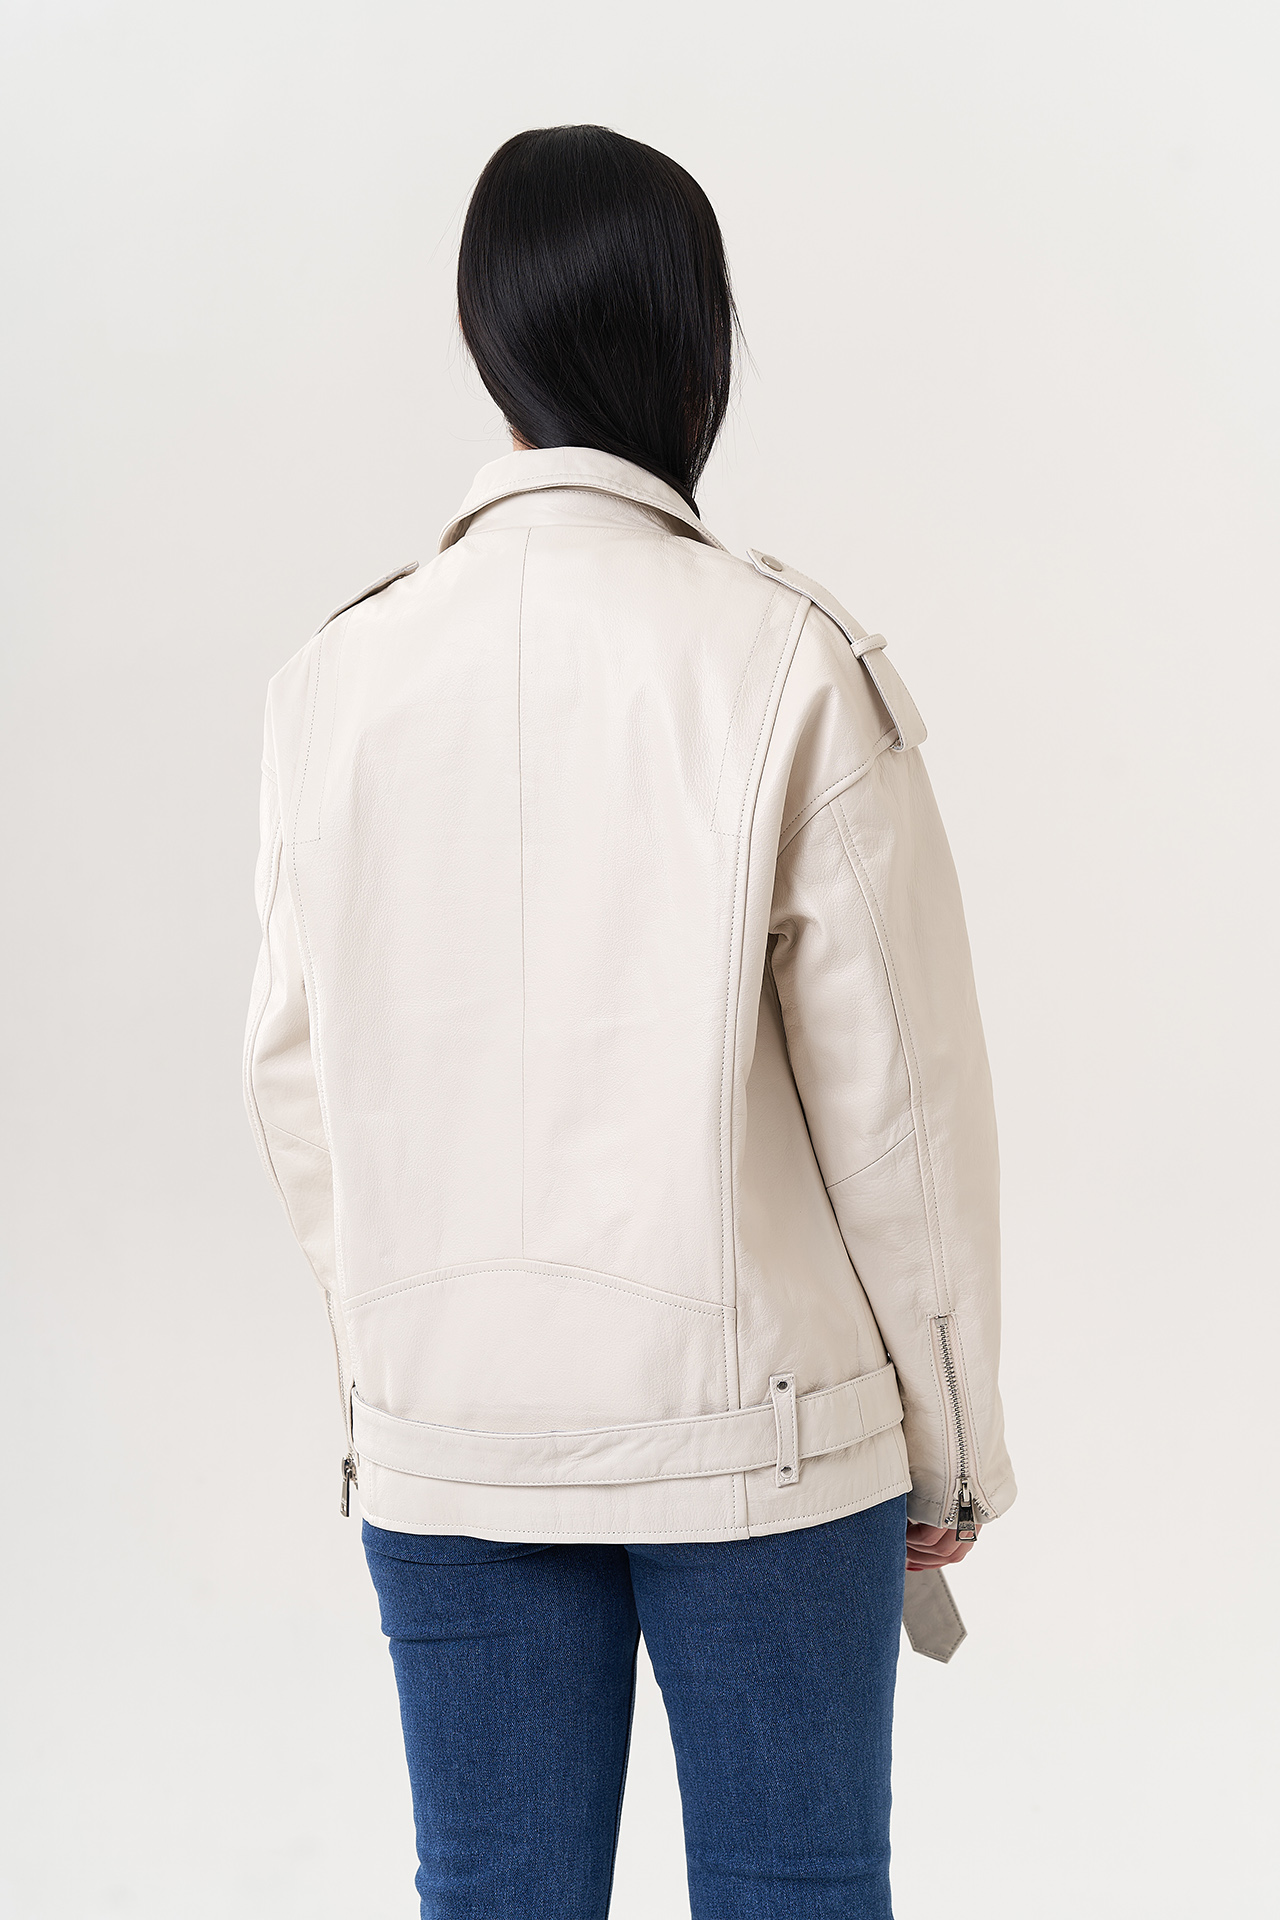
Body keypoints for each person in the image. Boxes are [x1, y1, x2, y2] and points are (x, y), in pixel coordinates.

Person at [244, 123, 1015, 1920]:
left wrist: (407, 1362)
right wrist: (954, 1441)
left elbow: (293, 1081)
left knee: (495, 1895)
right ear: (697, 343)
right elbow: (900, 1106)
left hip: (453, 1436)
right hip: (769, 1440)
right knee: (795, 1893)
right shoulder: (787, 655)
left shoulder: (332, 679)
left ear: (487, 339)